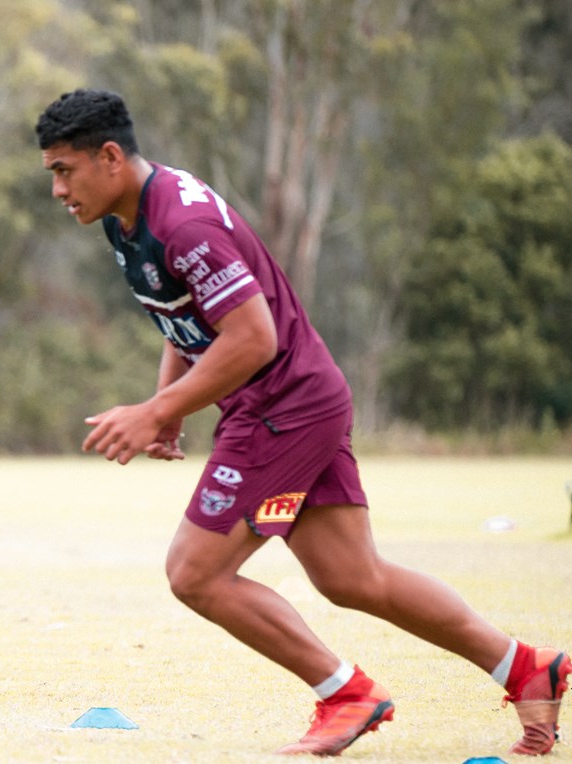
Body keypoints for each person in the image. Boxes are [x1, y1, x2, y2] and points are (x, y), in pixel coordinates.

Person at [35, 88, 567, 756]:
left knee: (194, 573)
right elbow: (180, 313)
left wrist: (156, 411)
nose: (57, 188)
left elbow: (252, 338)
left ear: (108, 156)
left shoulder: (181, 224)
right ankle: (524, 667)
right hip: (301, 395)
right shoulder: (127, 218)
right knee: (351, 577)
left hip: (281, 405)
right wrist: (168, 402)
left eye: (63, 170)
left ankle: (346, 693)